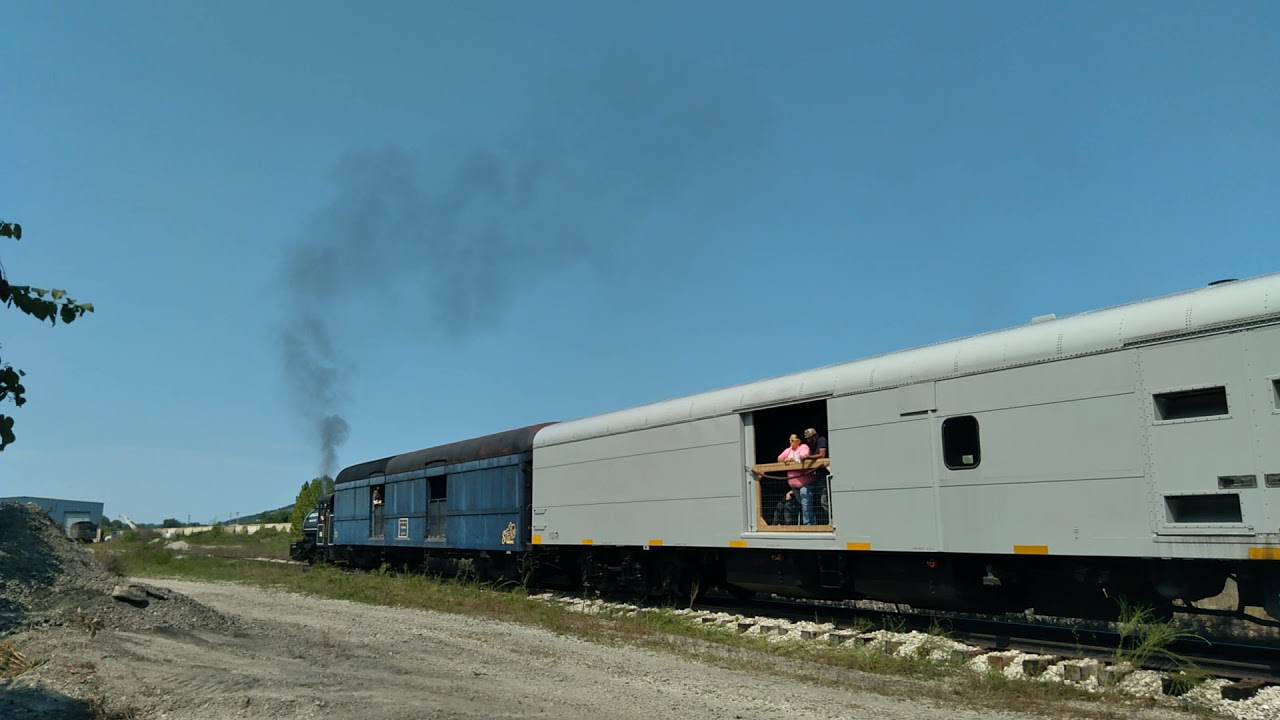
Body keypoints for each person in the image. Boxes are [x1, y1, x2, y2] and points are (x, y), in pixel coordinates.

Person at [777, 434, 818, 525]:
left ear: (798, 441)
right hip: (793, 484)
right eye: (790, 440)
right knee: (802, 503)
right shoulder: (789, 450)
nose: (790, 442)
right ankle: (807, 522)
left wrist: (789, 459)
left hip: (805, 482)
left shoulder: (803, 447)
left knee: (806, 503)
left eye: (792, 440)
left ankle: (808, 524)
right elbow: (779, 458)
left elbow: (802, 457)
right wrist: (784, 460)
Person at [804, 428, 831, 523]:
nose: (808, 440)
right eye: (807, 438)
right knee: (819, 501)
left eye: (810, 438)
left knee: (824, 500)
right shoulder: (811, 446)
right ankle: (824, 521)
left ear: (815, 436)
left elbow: (822, 455)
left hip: (824, 475)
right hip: (817, 476)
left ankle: (832, 520)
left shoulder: (821, 440)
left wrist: (807, 457)